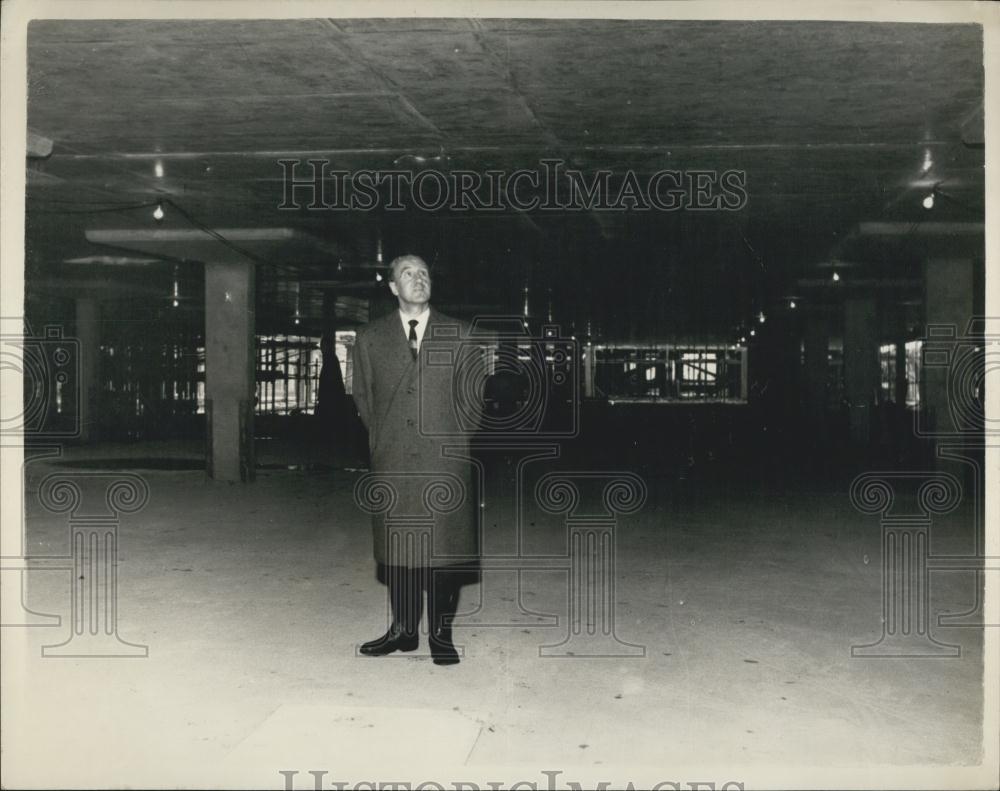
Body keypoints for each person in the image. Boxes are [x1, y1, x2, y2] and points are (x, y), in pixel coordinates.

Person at [350, 254, 482, 666]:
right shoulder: (370, 339)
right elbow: (364, 400)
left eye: (423, 273)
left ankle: (440, 635)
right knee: (399, 549)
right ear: (392, 287)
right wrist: (384, 440)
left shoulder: (460, 336)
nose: (417, 280)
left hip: (444, 459)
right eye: (407, 274)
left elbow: (473, 400)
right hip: (393, 460)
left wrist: (455, 442)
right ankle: (404, 631)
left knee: (443, 550)